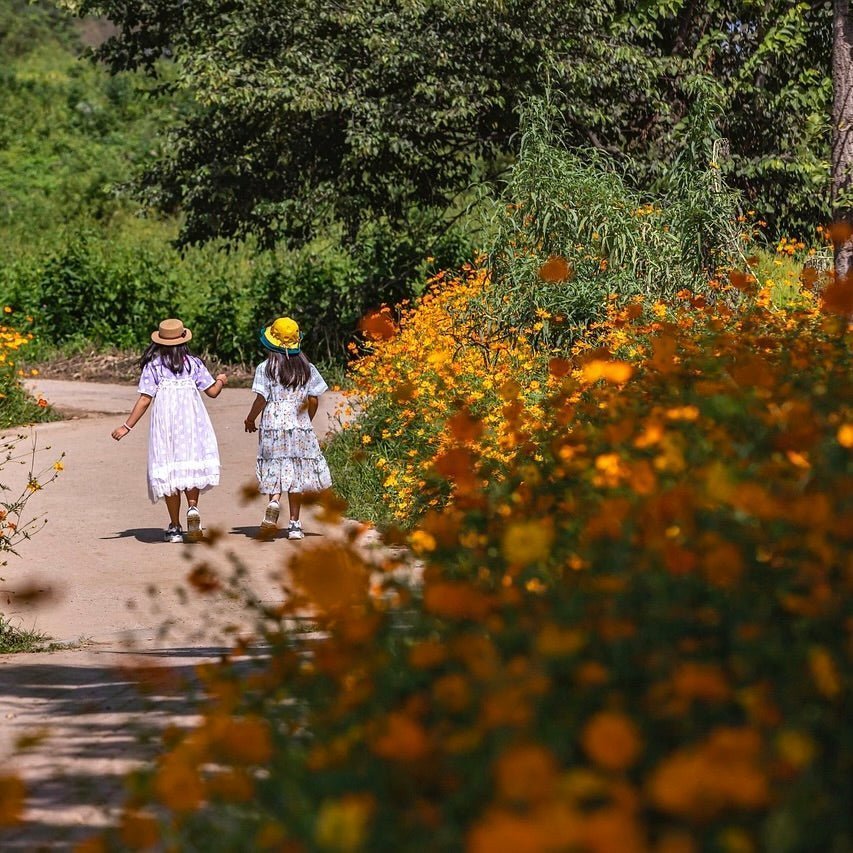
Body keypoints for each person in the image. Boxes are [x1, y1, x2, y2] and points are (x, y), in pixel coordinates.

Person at [112, 318, 227, 543]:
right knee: (189, 464)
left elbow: (145, 399)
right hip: (191, 424)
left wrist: (127, 426)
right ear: (183, 341)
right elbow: (212, 392)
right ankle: (192, 508)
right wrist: (221, 380)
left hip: (165, 426)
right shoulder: (194, 364)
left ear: (160, 343)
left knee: (170, 469)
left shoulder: (154, 366)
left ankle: (175, 527)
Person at [244, 317, 332, 540]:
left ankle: (274, 502)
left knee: (276, 464)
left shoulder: (265, 368)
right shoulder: (307, 369)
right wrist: (306, 420)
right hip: (299, 423)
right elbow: (314, 399)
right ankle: (294, 524)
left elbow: (261, 399)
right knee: (296, 472)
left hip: (273, 424)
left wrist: (250, 419)